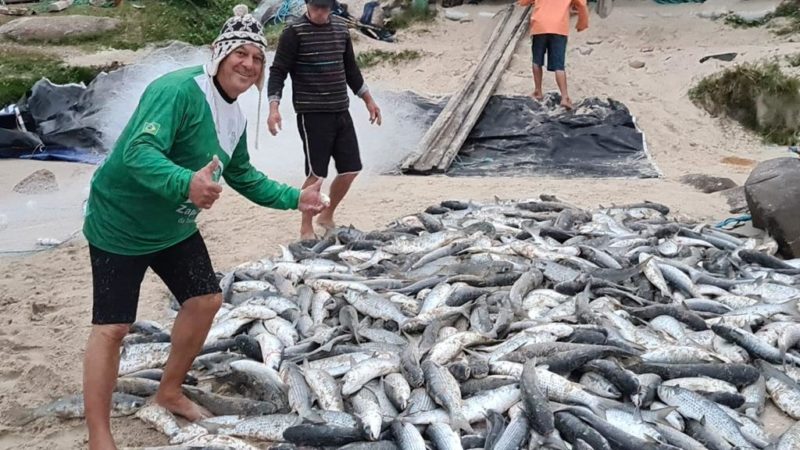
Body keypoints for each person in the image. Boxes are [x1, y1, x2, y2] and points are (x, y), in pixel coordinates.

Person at [80, 5, 327, 449]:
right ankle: (99, 433)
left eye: (257, 58)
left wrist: (297, 198)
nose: (248, 64)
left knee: (206, 300)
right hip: (121, 222)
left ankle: (169, 391)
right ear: (218, 53)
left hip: (173, 227)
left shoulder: (235, 115)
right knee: (113, 328)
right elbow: (138, 151)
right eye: (240, 53)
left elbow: (244, 175)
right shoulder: (177, 90)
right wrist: (186, 183)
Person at [266, 0, 382, 240]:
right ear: (307, 4)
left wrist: (369, 100)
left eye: (325, 8)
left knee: (351, 169)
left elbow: (351, 69)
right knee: (316, 174)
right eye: (316, 7)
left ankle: (326, 215)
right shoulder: (294, 32)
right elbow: (278, 71)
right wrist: (273, 107)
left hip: (341, 109)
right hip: (312, 113)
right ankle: (305, 227)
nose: (320, 13)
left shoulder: (341, 28)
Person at [518, 0, 589, 109]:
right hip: (559, 26)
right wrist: (582, 23)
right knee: (559, 66)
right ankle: (565, 97)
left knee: (537, 61)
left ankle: (538, 91)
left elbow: (523, 2)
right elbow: (582, 4)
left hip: (540, 25)